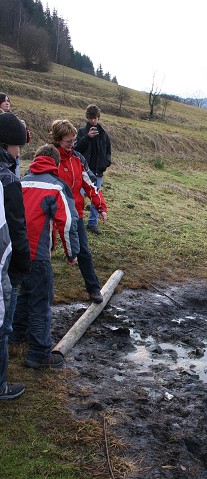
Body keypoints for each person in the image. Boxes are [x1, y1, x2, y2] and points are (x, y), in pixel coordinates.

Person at [10, 145, 80, 368]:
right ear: (56, 164)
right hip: (37, 255)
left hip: (14, 252)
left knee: (22, 294)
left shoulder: (19, 182)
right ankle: (39, 353)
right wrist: (72, 253)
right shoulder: (57, 187)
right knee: (41, 301)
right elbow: (68, 223)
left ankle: (16, 333)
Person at [49, 119, 108, 304]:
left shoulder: (78, 159)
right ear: (58, 139)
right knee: (45, 251)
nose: (72, 145)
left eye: (74, 141)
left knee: (84, 251)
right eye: (68, 141)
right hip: (50, 212)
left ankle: (94, 289)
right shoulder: (49, 158)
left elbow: (90, 184)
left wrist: (100, 206)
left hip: (75, 212)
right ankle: (39, 291)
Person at [0, 113, 31, 399]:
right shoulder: (8, 180)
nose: (19, 152)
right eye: (17, 146)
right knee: (2, 323)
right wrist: (23, 264)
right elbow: (17, 228)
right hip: (4, 263)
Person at [74, 104, 111, 235]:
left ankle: (92, 223)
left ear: (98, 117)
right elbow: (76, 149)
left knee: (97, 197)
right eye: (90, 118)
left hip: (98, 171)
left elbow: (108, 151)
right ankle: (76, 220)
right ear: (87, 118)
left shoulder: (104, 134)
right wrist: (87, 137)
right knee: (79, 196)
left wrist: (106, 162)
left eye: (95, 118)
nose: (93, 121)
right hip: (83, 171)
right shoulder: (82, 132)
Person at [0, 93, 31, 179]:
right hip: (4, 157)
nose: (7, 103)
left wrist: (23, 128)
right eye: (4, 101)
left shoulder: (14, 119)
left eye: (8, 101)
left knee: (14, 177)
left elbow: (26, 139)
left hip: (14, 156)